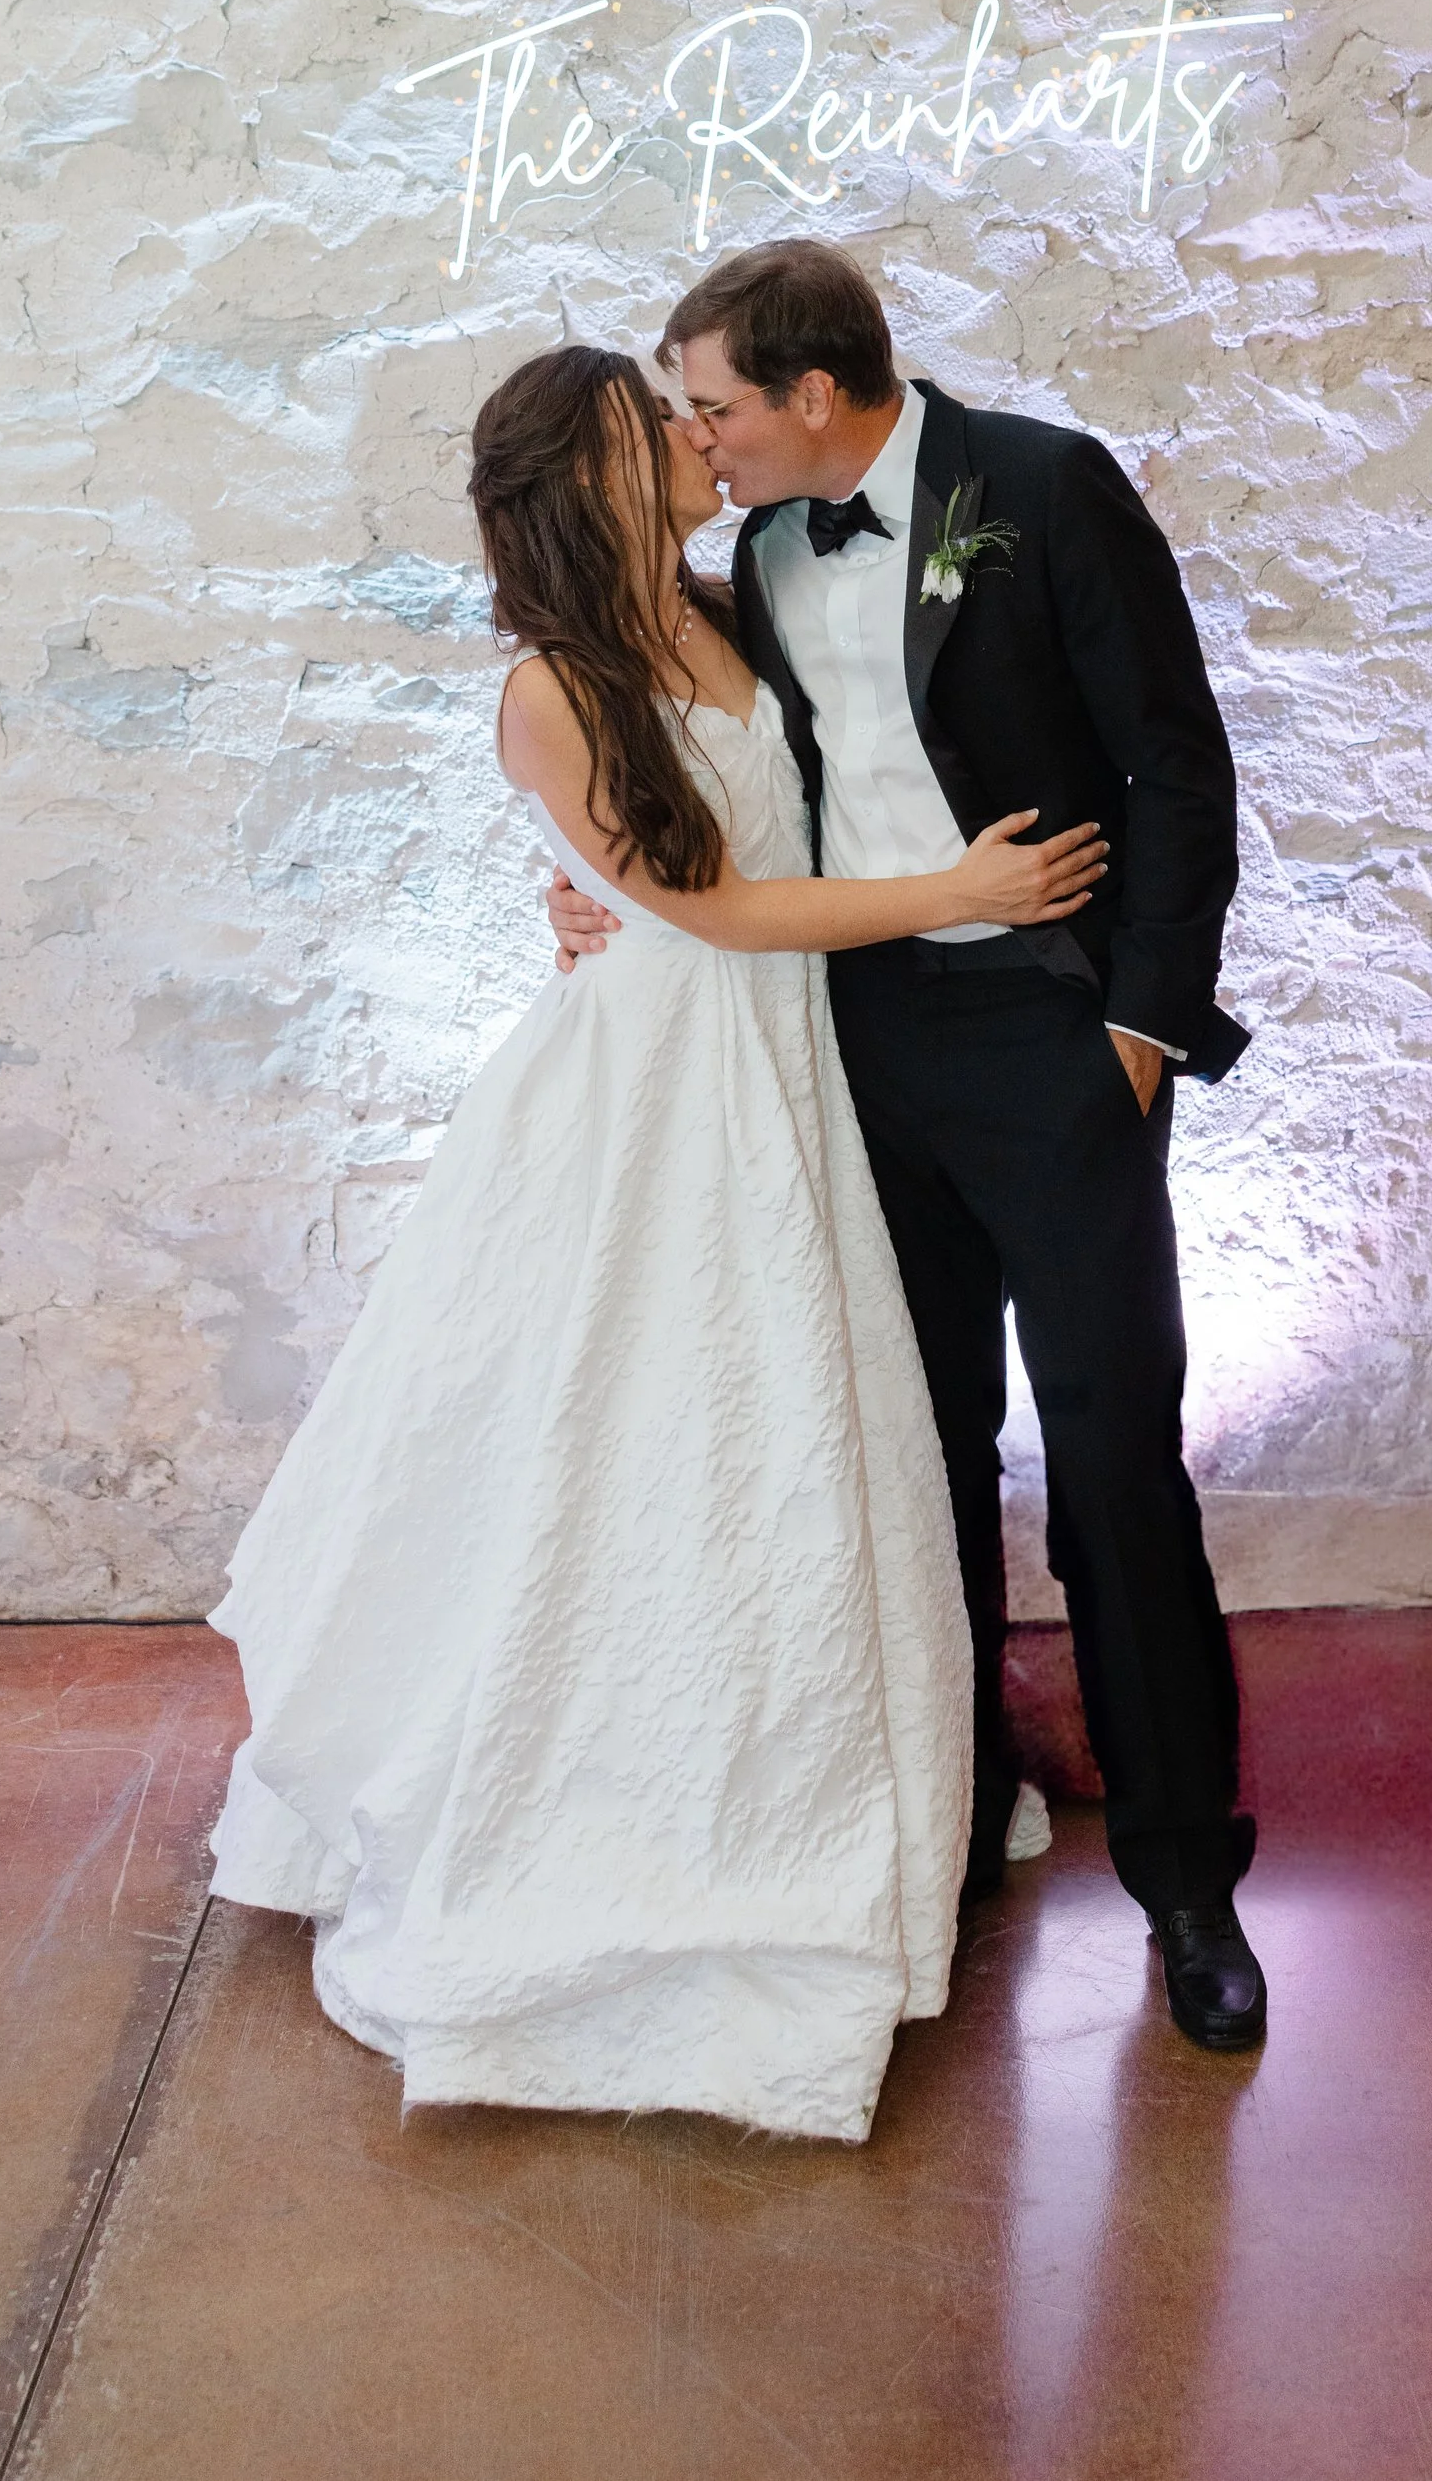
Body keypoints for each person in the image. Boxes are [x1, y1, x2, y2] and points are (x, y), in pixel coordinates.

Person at [206, 342, 1109, 2142]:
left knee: (802, 1429)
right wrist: (951, 894)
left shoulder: (729, 604)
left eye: (697, 415)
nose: (701, 442)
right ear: (594, 473)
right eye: (661, 426)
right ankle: (618, 1822)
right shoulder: (551, 686)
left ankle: (842, 1792)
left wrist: (611, 892)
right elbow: (701, 896)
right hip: (657, 1090)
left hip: (785, 1068)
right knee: (645, 1430)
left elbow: (788, 803)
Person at [548, 242, 1266, 2052]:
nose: (695, 442)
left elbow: (1182, 772)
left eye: (711, 404)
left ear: (810, 394)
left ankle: (1188, 1884)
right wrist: (587, 908)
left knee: (1114, 1458)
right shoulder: (755, 562)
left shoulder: (1040, 485)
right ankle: (941, 1839)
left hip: (1054, 1036)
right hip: (856, 1049)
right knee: (915, 1454)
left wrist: (1135, 1031)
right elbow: (679, 791)